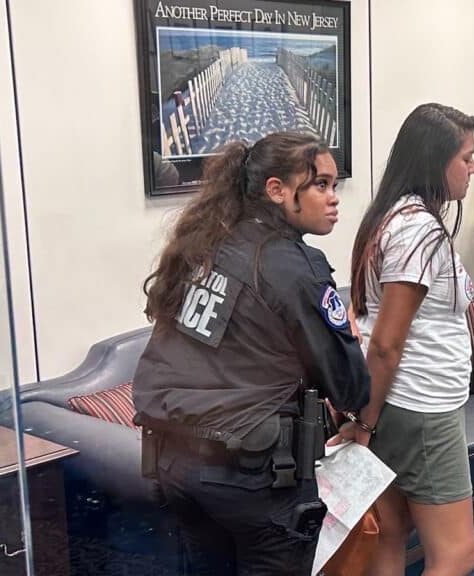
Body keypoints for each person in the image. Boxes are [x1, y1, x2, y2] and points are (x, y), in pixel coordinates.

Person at [133, 131, 370, 575]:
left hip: (178, 467)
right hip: (253, 480)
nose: (334, 198)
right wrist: (350, 339)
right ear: (276, 190)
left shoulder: (204, 246)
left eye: (334, 185)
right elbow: (351, 386)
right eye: (320, 185)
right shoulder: (293, 266)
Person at [335, 103, 474, 576]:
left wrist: (369, 417)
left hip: (401, 404)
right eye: (466, 158)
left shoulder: (393, 215)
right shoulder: (419, 229)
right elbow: (386, 343)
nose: (473, 168)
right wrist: (366, 422)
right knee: (456, 553)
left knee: (391, 533)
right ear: (434, 161)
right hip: (421, 407)